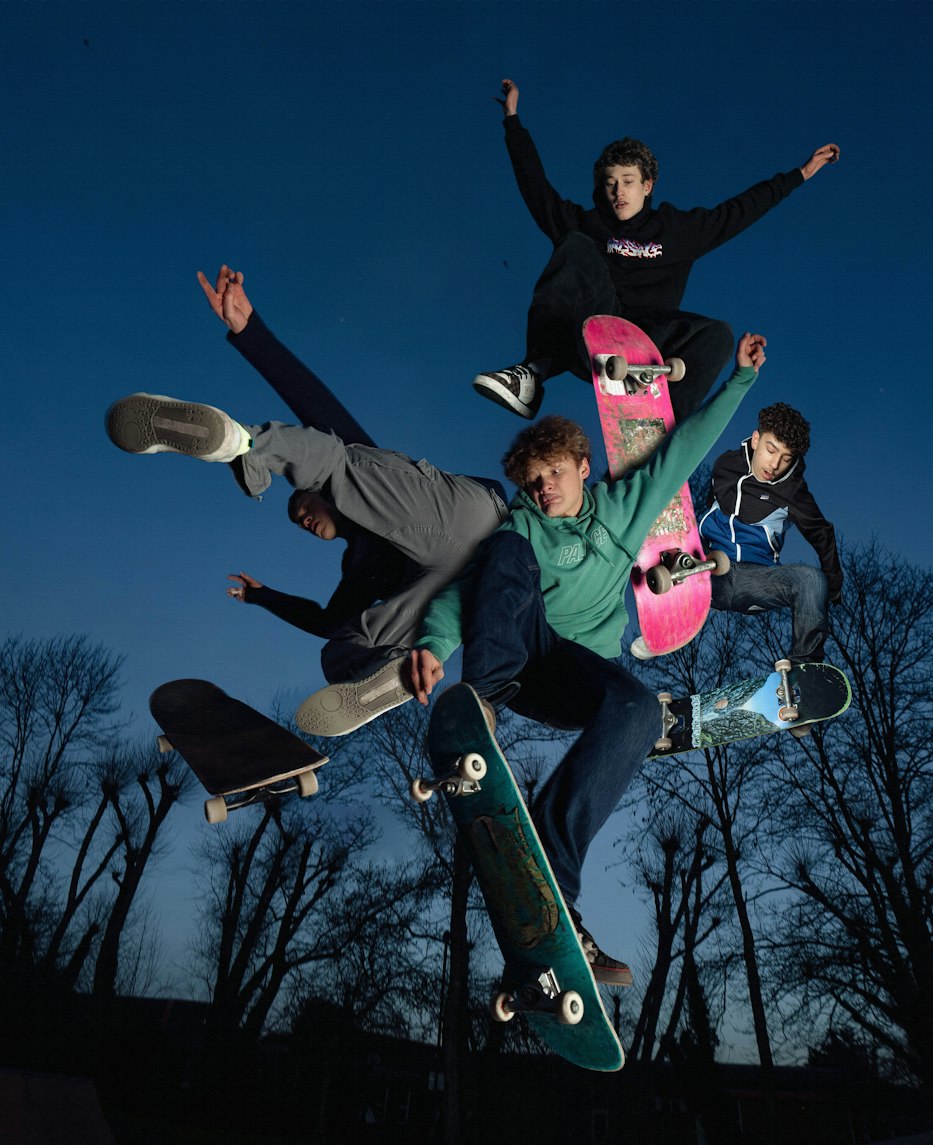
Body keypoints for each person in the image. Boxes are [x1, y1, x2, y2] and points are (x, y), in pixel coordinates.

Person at [408, 331, 766, 985]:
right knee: (504, 552)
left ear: (579, 464)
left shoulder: (622, 509)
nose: (544, 490)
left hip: (579, 673)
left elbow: (684, 447)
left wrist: (738, 380)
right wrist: (434, 647)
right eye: (534, 481)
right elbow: (470, 596)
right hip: (520, 658)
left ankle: (551, 883)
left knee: (637, 707)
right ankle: (481, 704)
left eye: (554, 475)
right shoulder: (522, 526)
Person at [105, 270, 509, 735]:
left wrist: (250, 331)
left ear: (318, 498)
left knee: (339, 460)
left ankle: (238, 444)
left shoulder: (366, 477)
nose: (304, 523)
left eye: (303, 510)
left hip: (476, 521)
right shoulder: (359, 569)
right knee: (341, 646)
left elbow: (313, 402)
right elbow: (324, 620)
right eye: (300, 526)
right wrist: (263, 597)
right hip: (462, 589)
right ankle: (391, 672)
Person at [473, 78, 838, 424]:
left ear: (647, 185)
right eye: (611, 184)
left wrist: (801, 174)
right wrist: (512, 122)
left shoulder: (679, 229)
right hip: (593, 334)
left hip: (649, 345)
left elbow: (739, 210)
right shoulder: (587, 223)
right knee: (574, 244)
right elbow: (536, 188)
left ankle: (664, 429)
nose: (619, 192)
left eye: (629, 182)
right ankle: (531, 375)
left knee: (718, 335)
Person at [698, 402, 843, 695]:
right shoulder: (725, 465)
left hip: (757, 580)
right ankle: (658, 633)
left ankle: (802, 681)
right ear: (755, 440)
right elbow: (706, 506)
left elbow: (821, 532)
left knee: (812, 579)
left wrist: (833, 583)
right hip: (710, 572)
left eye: (786, 458)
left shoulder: (793, 492)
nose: (774, 465)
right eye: (771, 449)